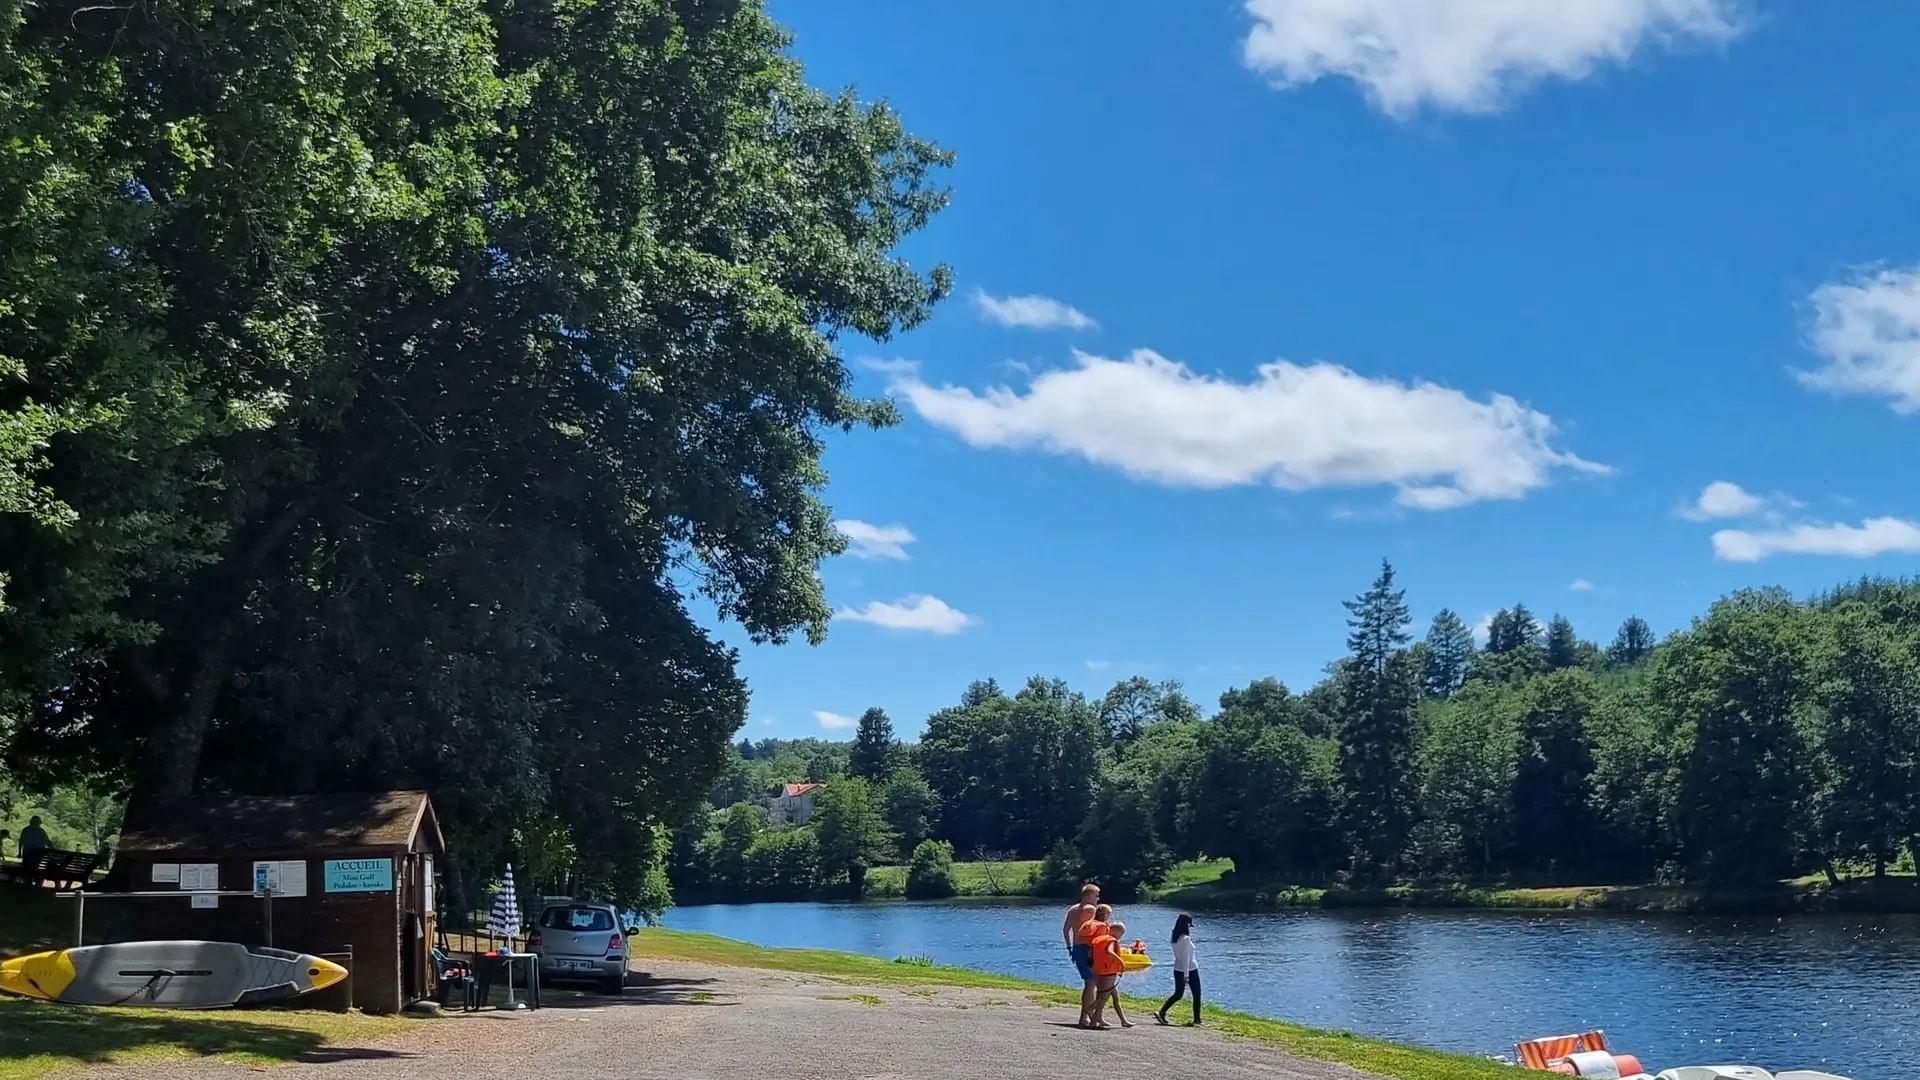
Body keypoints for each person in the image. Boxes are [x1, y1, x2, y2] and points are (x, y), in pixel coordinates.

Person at [1062, 883, 1101, 1025]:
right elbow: (1094, 930)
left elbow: (1065, 929)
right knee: (1092, 983)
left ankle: (1086, 1016)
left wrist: (1069, 947)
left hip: (1077, 948)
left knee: (1088, 982)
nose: (1098, 898)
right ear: (1088, 895)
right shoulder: (1091, 909)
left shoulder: (1072, 910)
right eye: (1096, 895)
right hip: (1088, 948)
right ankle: (1086, 1015)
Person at [1156, 913, 1202, 1026]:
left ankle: (1162, 1012)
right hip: (1190, 969)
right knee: (1196, 994)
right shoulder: (1186, 939)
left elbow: (1180, 957)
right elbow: (1186, 958)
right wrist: (1186, 975)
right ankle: (1197, 1020)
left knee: (1178, 994)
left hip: (1177, 969)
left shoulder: (1174, 937)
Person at [1088, 919, 1133, 1029]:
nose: (1121, 937)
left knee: (1115, 997)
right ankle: (1092, 1018)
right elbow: (1110, 951)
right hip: (1108, 973)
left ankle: (1123, 1020)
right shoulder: (1112, 941)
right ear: (1117, 931)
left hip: (1097, 971)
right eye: (1121, 934)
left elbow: (1090, 956)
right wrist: (1121, 962)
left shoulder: (1098, 939)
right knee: (1102, 998)